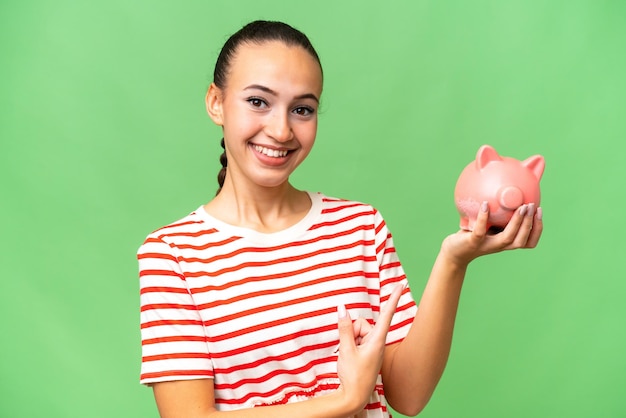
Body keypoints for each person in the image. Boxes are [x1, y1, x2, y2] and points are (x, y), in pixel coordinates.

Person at [137, 20, 543, 418]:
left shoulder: (359, 227)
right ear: (216, 102)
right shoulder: (172, 255)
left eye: (302, 109)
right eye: (258, 101)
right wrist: (346, 402)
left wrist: (454, 261)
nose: (280, 130)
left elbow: (410, 396)